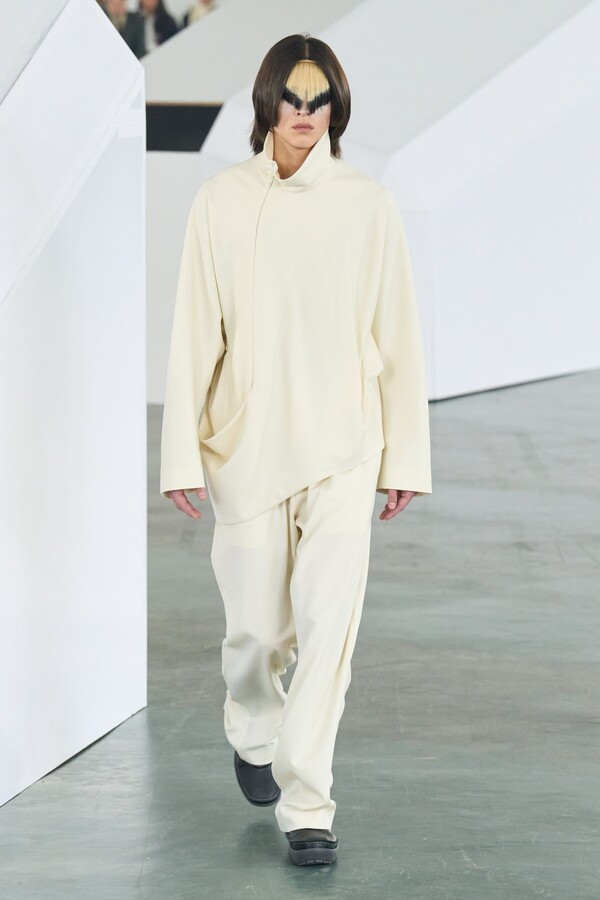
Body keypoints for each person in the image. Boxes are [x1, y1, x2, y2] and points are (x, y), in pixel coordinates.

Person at [160, 33, 432, 867]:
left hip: (345, 448)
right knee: (255, 635)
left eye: (321, 100)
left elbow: (398, 336)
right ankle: (253, 724)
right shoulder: (221, 201)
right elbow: (194, 334)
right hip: (246, 449)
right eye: (292, 97)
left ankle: (307, 803)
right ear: (267, 103)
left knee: (327, 636)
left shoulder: (367, 204)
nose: (306, 113)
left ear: (336, 108)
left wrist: (403, 458)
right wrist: (179, 454)